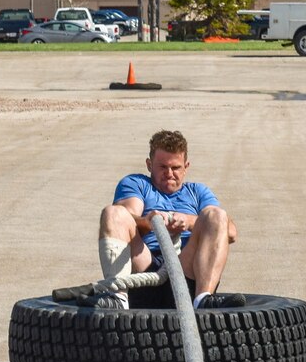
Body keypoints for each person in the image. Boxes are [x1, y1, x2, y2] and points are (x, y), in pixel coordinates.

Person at [97, 129, 236, 309]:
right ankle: (118, 299)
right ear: (149, 165)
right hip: (145, 265)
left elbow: (230, 232)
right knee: (112, 213)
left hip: (186, 269)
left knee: (216, 216)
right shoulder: (136, 184)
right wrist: (148, 222)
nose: (169, 173)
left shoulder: (198, 192)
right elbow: (124, 215)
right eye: (163, 167)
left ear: (186, 167)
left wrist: (189, 221)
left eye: (176, 167)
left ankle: (202, 299)